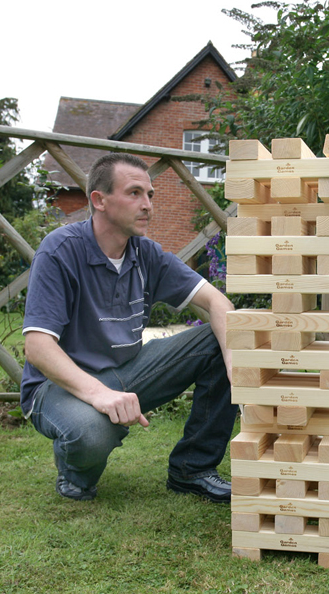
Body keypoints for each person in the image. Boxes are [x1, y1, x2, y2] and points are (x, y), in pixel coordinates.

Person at [20, 152, 238, 503]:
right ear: (99, 200)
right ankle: (76, 475)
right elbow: (38, 346)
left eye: (150, 194)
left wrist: (234, 367)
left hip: (127, 372)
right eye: (135, 193)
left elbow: (218, 303)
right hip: (59, 385)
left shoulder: (146, 253)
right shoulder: (60, 250)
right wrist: (100, 396)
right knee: (90, 432)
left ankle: (192, 470)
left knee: (224, 337)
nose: (148, 204)